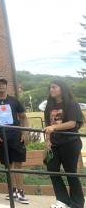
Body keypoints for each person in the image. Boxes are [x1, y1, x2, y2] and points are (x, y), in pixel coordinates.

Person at [0, 77, 29, 204]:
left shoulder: (14, 101)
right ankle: (13, 191)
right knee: (7, 165)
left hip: (16, 136)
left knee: (18, 163)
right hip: (1, 137)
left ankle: (21, 191)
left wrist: (25, 132)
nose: (1, 86)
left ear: (6, 86)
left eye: (3, 84)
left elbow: (23, 118)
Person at [43, 80, 85, 208]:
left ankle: (77, 203)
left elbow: (72, 123)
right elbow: (47, 126)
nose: (51, 90)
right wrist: (47, 141)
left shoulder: (71, 104)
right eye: (50, 88)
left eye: (54, 87)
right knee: (52, 169)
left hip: (70, 143)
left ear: (62, 89)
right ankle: (63, 200)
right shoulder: (49, 106)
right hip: (54, 144)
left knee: (70, 172)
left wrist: (54, 128)